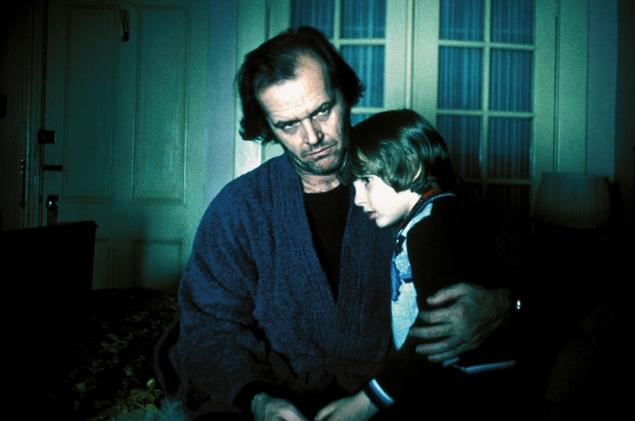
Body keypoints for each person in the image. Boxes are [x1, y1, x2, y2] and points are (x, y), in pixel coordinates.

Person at [155, 26, 516, 420]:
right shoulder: (239, 208)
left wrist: (505, 303)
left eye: (322, 111)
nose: (312, 137)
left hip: (397, 394)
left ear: (346, 95)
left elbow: (521, 264)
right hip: (279, 398)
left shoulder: (413, 179)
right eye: (288, 125)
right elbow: (208, 327)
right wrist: (259, 400)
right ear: (267, 127)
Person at [314, 109, 518, 420]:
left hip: (470, 387)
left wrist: (368, 400)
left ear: (411, 165)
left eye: (366, 181)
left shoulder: (432, 226)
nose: (357, 199)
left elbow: (437, 333)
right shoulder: (436, 215)